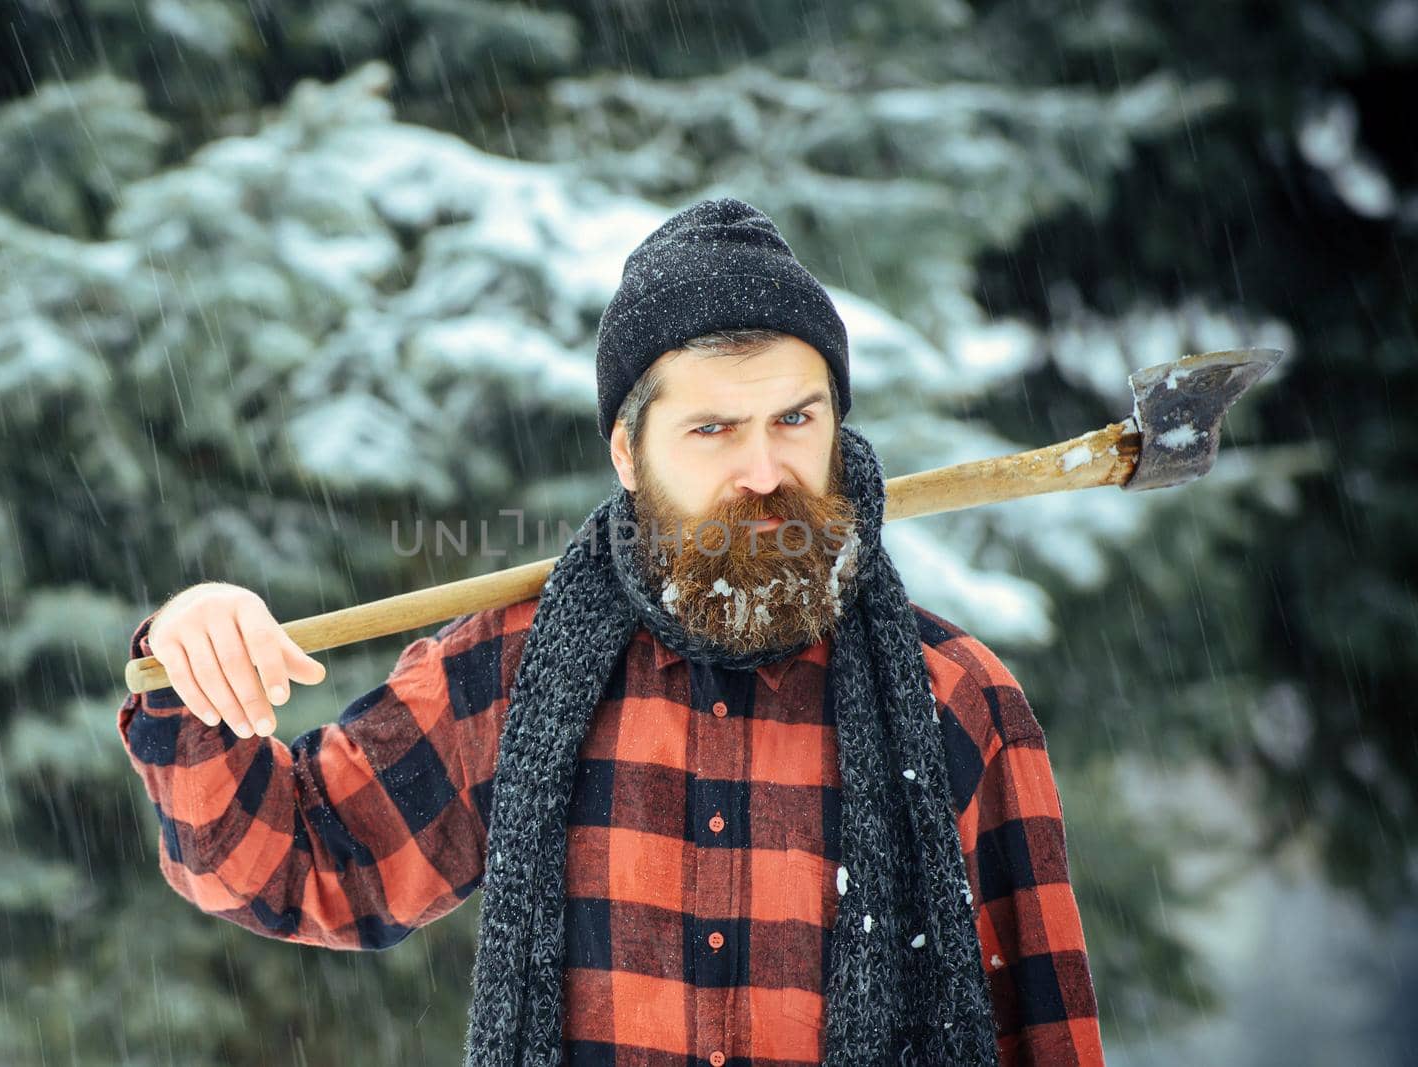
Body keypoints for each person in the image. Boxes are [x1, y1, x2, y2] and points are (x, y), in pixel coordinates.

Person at [117, 198, 1104, 1065]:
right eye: (712, 429)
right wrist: (190, 648)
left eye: (795, 420)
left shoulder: (956, 700)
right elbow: (294, 862)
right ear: (628, 452)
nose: (763, 469)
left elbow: (1045, 1030)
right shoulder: (520, 671)